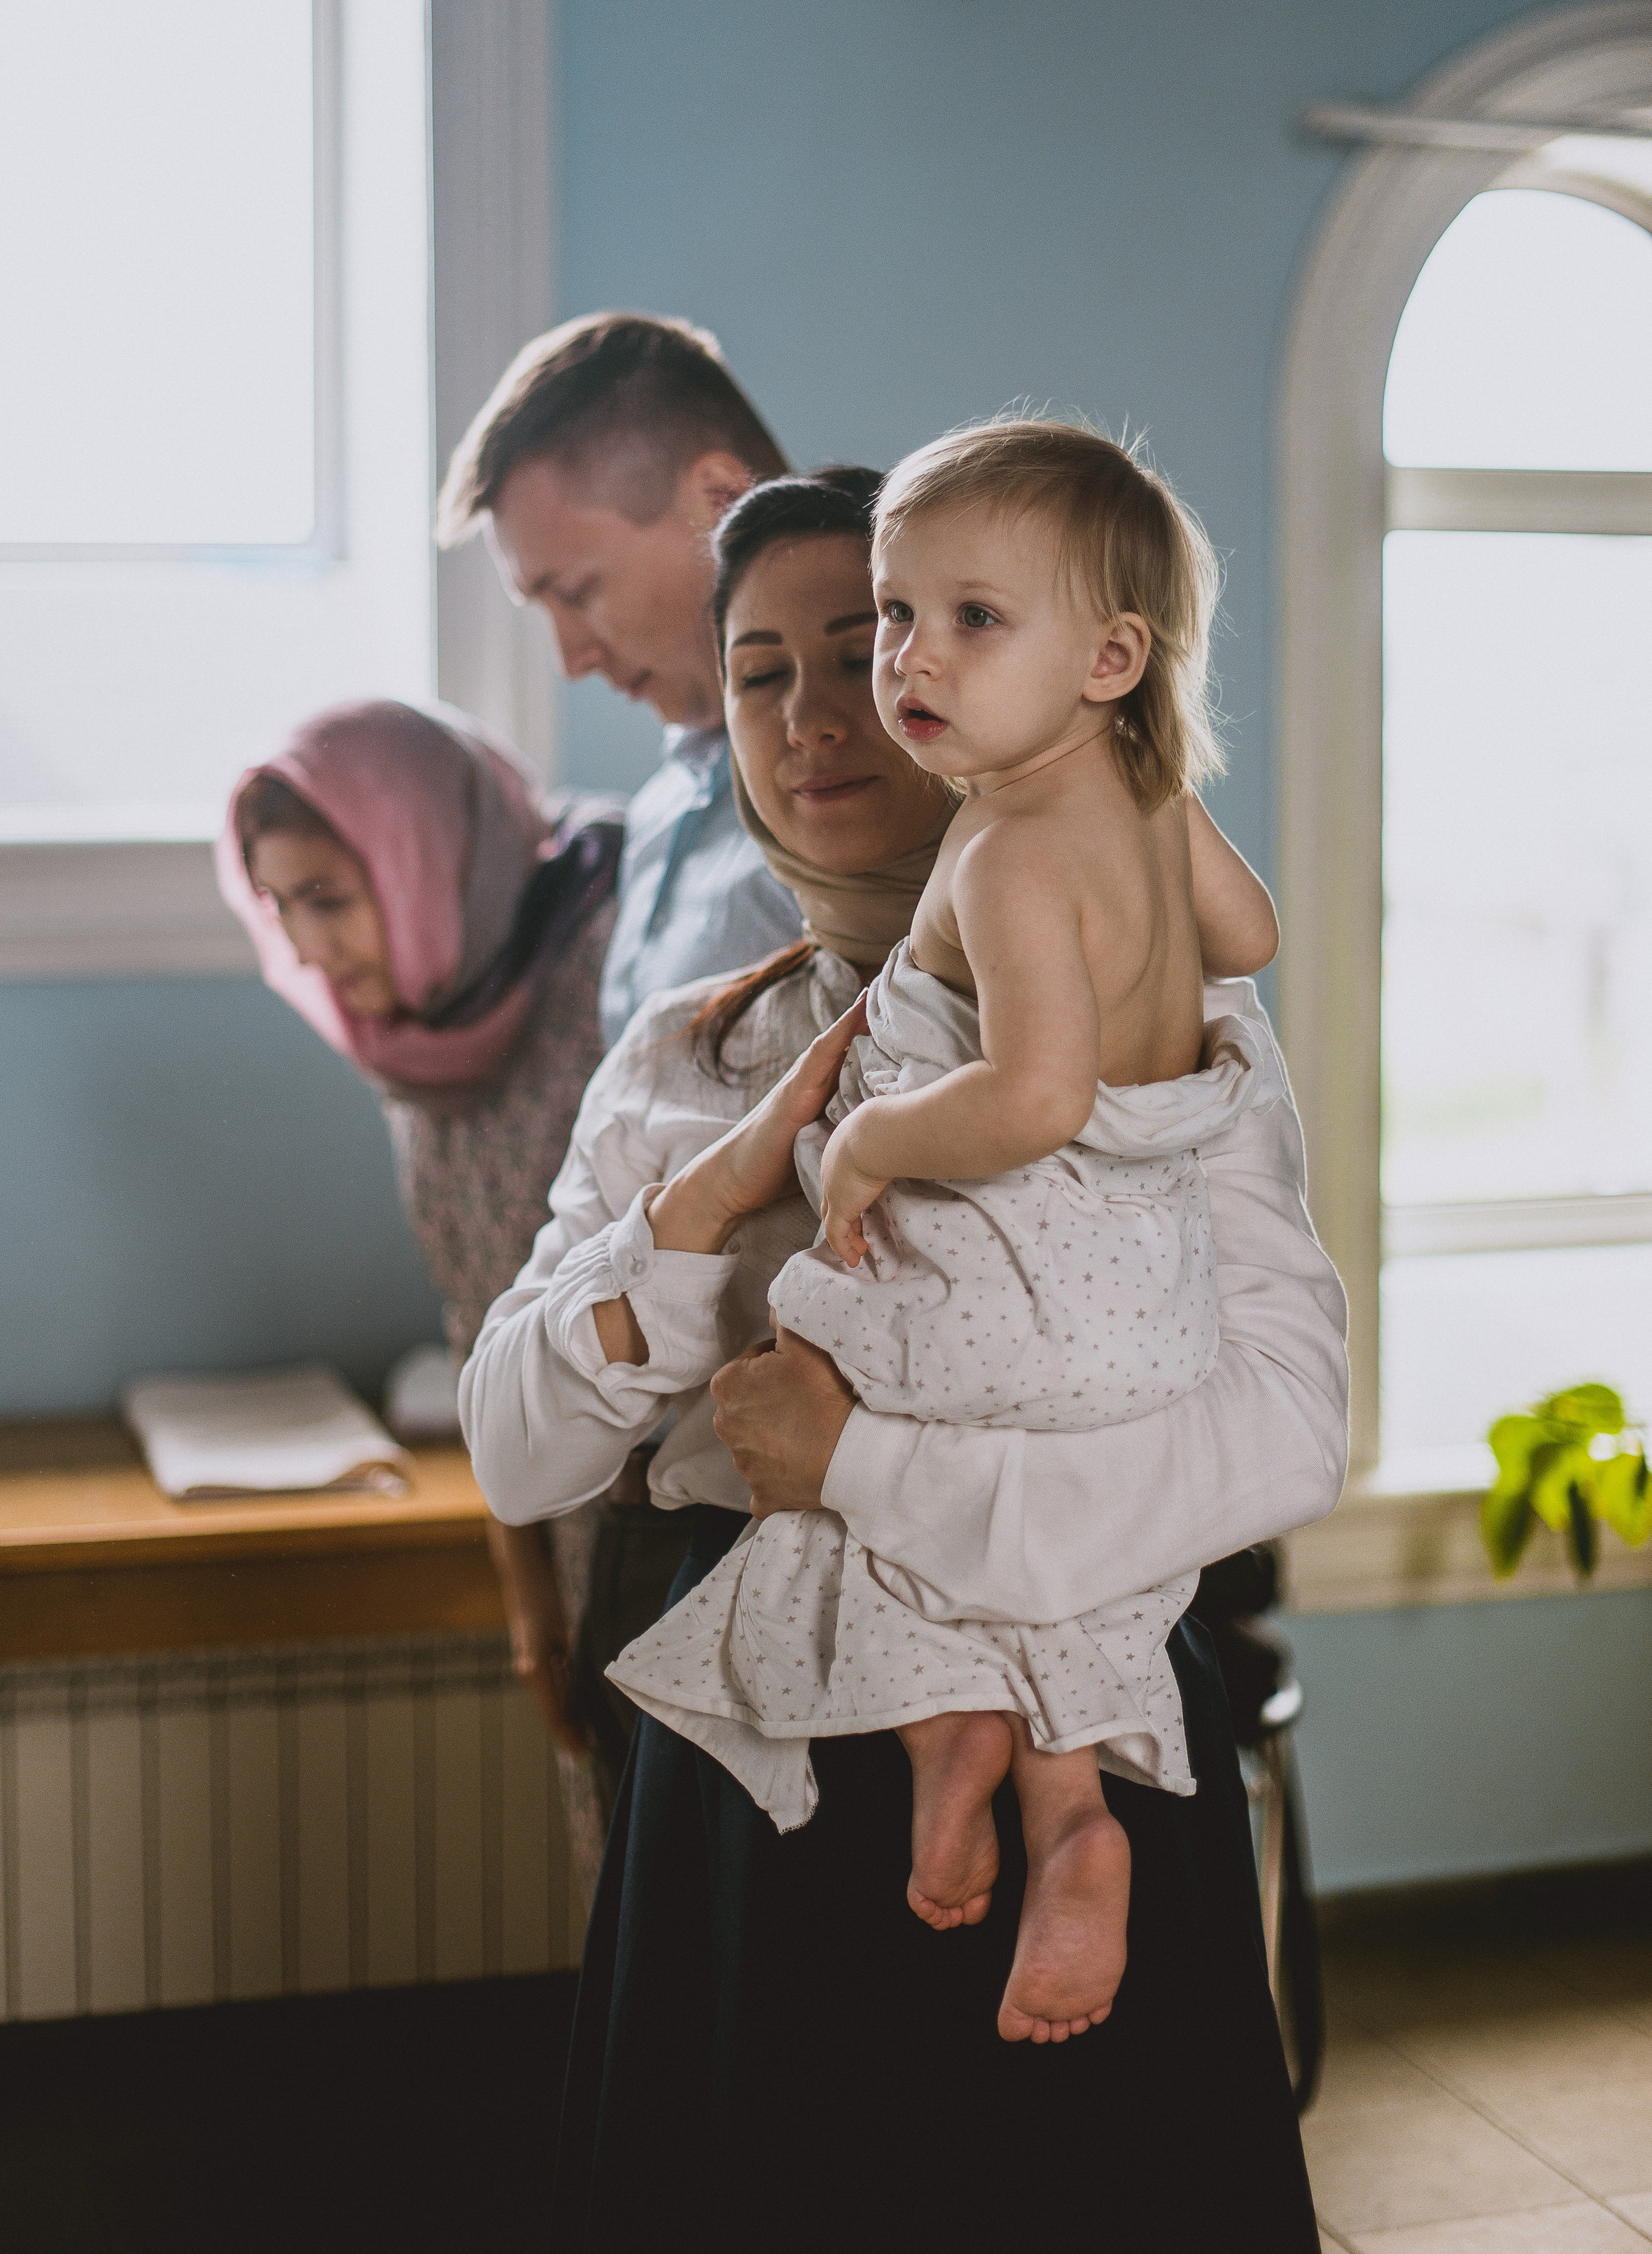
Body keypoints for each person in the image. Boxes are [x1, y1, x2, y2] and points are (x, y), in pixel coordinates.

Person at [463, 477, 1346, 2251]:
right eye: (756, 672)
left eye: (861, 646)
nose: (815, 712)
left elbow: (1281, 1433)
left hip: (1080, 1751)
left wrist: (864, 1466)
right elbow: (511, 1449)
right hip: (759, 1776)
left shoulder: (1169, 1013)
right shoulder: (679, 1057)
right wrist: (701, 1218)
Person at [608, 420, 1286, 2048]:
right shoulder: (1140, 796)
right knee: (1004, 1499)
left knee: (824, 1380)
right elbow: (1245, 935)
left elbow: (1034, 1093)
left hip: (1032, 1279)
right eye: (902, 615)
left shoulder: (1001, 847)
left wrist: (869, 1144)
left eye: (967, 620)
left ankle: (957, 1748)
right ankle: (1063, 1801)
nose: (910, 660)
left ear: (1108, 656)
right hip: (1145, 1300)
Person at [214, 699, 624, 1887]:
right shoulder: (414, 1036)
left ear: (420, 859)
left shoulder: (609, 974)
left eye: (328, 898)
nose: (308, 949)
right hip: (557, 1513)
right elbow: (475, 1318)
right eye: (281, 907)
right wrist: (527, 1589)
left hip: (673, 1500)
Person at [436, 311, 806, 1043]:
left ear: (721, 502)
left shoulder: (881, 787)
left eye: (577, 593)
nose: (572, 660)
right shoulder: (661, 808)